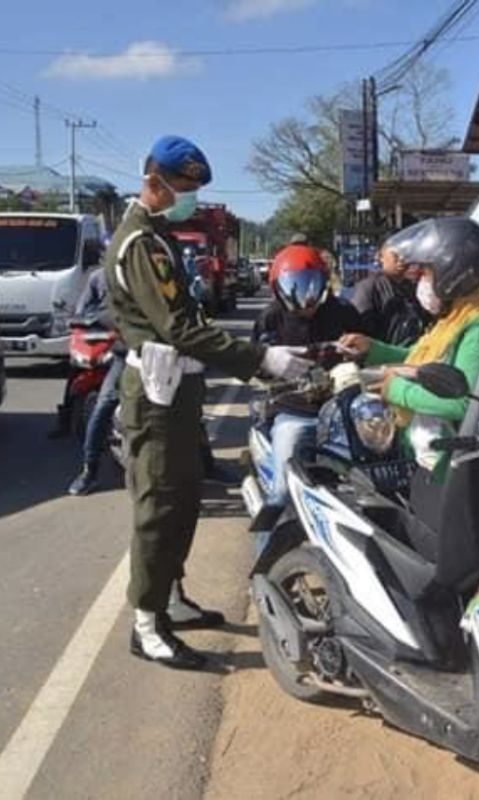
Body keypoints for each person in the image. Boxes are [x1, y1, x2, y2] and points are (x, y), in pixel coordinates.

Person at [105, 135, 311, 670]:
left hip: (176, 390)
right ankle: (147, 624)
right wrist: (260, 359)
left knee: (183, 498)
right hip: (155, 394)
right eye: (184, 188)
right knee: (158, 508)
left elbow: (189, 320)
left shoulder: (160, 237)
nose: (189, 198)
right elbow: (177, 328)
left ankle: (170, 597)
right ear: (154, 183)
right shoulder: (141, 245)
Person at [338, 217, 479, 476]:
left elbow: (462, 401)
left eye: (426, 272)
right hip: (426, 447)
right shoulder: (455, 316)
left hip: (447, 463)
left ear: (452, 272)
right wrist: (372, 348)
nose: (420, 282)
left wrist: (396, 390)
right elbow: (419, 359)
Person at [252, 242, 361, 509]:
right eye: (296, 287)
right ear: (279, 287)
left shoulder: (343, 311)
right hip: (294, 411)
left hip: (342, 409)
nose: (306, 298)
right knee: (281, 494)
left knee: (369, 478)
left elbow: (366, 349)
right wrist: (271, 366)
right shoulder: (271, 318)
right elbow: (257, 365)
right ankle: (269, 539)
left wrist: (355, 355)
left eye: (311, 285)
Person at [66, 267, 125, 496]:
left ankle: (206, 463)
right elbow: (86, 311)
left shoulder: (149, 271)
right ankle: (89, 471)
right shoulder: (100, 277)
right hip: (122, 349)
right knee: (103, 405)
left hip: (153, 352)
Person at [350, 235, 430, 346]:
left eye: (405, 254)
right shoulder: (369, 287)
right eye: (395, 255)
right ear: (381, 257)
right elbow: (360, 328)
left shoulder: (415, 288)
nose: (401, 260)